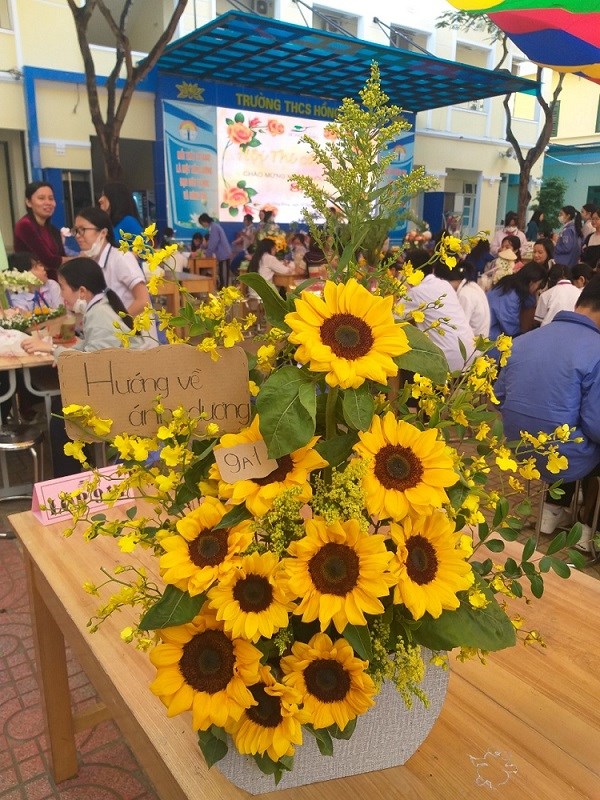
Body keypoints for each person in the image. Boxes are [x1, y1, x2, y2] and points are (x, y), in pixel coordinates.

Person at [495, 278, 600, 553]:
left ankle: (552, 510)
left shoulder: (523, 340)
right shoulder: (597, 350)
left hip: (519, 448)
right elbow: (596, 426)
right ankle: (588, 530)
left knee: (567, 423)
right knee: (581, 436)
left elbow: (499, 396)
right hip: (565, 457)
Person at [21, 257, 145, 477]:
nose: (61, 295)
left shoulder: (100, 315)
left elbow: (91, 364)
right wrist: (56, 350)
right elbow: (90, 348)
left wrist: (51, 349)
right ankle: (79, 471)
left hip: (125, 395)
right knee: (61, 407)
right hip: (119, 386)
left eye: (63, 288)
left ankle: (68, 479)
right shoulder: (100, 307)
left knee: (61, 415)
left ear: (82, 291)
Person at [401, 250, 477, 373]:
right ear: (432, 269)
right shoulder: (444, 284)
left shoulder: (416, 292)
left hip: (449, 361)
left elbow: (393, 317)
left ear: (408, 273)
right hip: (471, 354)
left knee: (402, 356)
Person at [71, 207, 152, 318]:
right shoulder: (90, 262)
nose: (77, 235)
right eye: (76, 230)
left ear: (103, 233)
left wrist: (115, 324)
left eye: (82, 229)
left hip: (132, 326)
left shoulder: (121, 257)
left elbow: (143, 301)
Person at [13, 181, 66, 281]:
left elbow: (61, 258)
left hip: (54, 284)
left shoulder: (53, 230)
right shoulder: (25, 225)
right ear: (28, 202)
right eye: (41, 198)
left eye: (51, 198)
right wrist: (80, 258)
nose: (48, 203)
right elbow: (48, 261)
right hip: (32, 285)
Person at [486, 262, 547, 348]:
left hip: (494, 328)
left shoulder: (512, 282)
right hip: (489, 334)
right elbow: (510, 326)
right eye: (539, 285)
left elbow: (529, 303)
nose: (539, 288)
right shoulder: (510, 294)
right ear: (531, 282)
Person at [446, 260, 490, 338]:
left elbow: (460, 325)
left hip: (474, 340)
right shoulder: (472, 286)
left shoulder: (464, 294)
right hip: (481, 336)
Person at [198, 213, 232, 288]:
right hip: (222, 255)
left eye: (202, 224)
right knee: (222, 275)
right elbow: (211, 243)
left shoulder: (214, 228)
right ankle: (223, 290)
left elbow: (213, 243)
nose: (202, 226)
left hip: (224, 255)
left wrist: (207, 255)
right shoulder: (213, 227)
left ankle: (224, 292)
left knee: (224, 278)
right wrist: (203, 247)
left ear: (204, 222)